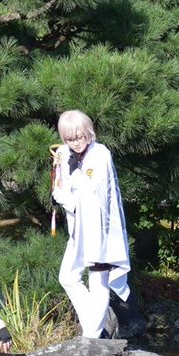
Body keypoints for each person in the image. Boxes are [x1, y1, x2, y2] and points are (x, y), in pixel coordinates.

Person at [51, 110, 132, 338]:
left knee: (98, 278)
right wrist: (61, 180)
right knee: (67, 276)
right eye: (70, 139)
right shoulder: (62, 153)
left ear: (88, 132)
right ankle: (94, 330)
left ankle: (91, 336)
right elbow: (60, 190)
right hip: (78, 228)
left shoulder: (100, 154)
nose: (75, 143)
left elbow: (97, 193)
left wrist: (74, 178)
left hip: (100, 228)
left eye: (79, 137)